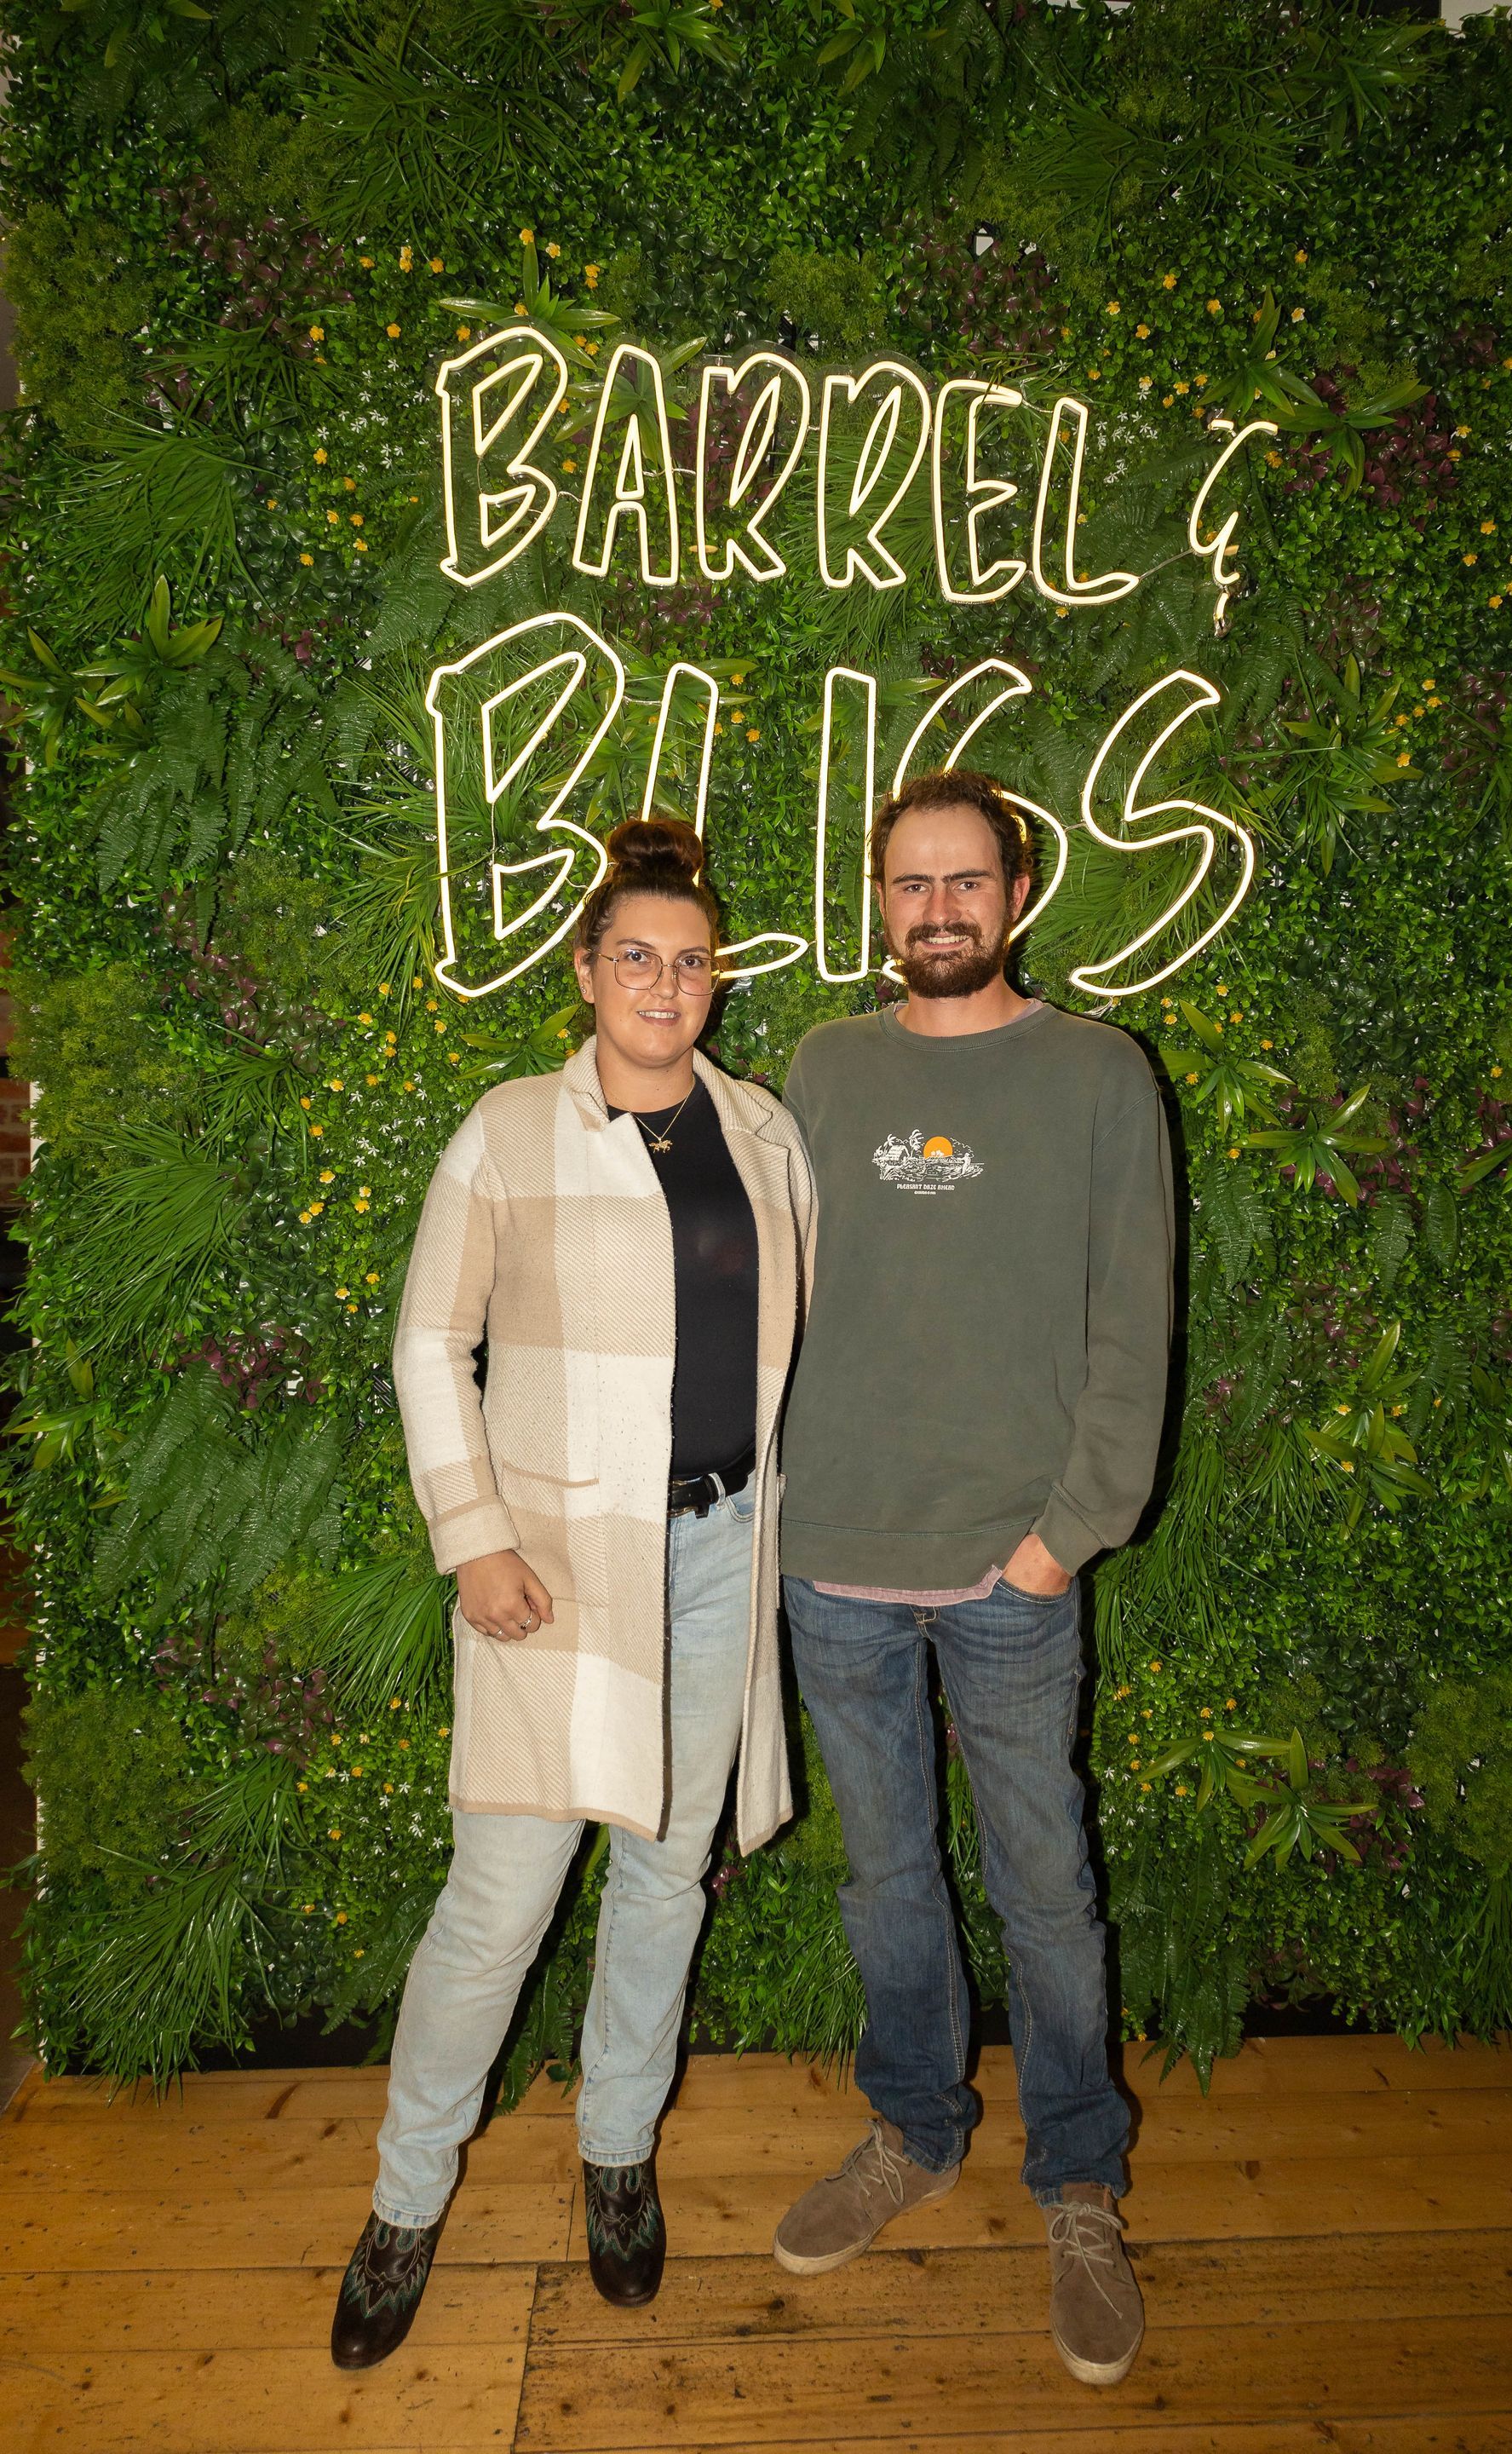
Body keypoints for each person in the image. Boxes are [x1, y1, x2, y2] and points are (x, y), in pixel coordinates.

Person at [331, 817, 813, 2369]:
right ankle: (407, 2197)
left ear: (715, 978)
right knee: (501, 1902)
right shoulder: (506, 1131)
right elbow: (428, 1341)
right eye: (635, 957)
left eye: (688, 959)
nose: (663, 982)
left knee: (667, 1878)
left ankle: (617, 2154)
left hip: (722, 1554)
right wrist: (471, 1534)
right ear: (588, 971)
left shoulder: (766, 1134)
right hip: (554, 1575)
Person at [771, 768, 1175, 2388]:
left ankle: (1079, 2183)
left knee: (1048, 1890)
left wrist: (1060, 1535)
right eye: (909, 883)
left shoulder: (1097, 1073)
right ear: (880, 900)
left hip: (1013, 1567)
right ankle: (914, 2128)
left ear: (1016, 891)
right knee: (885, 1882)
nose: (937, 909)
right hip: (837, 1563)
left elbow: (1134, 1328)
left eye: (966, 881)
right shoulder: (819, 1064)